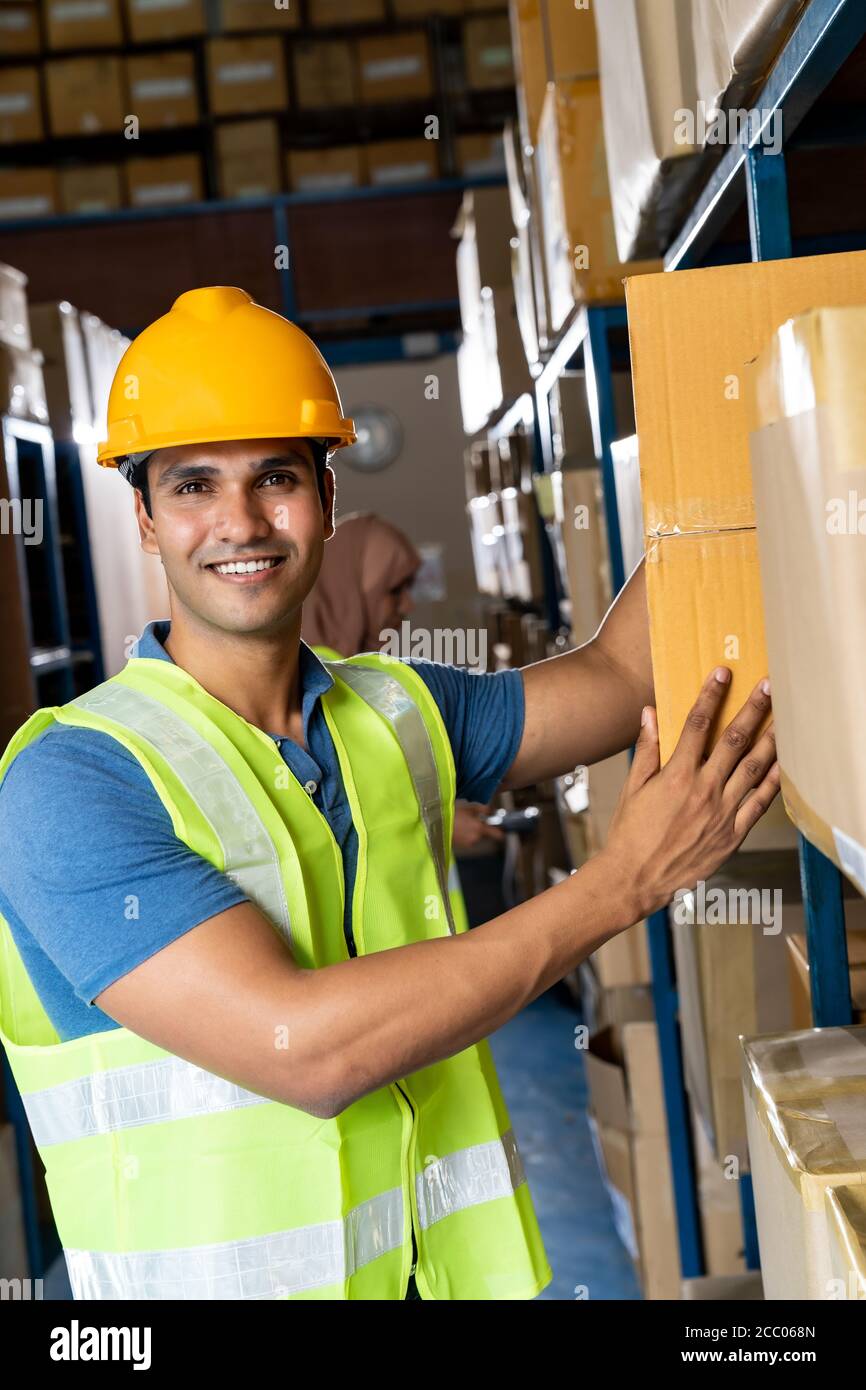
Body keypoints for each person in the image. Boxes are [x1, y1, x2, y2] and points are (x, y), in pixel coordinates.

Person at [0, 287, 780, 1302]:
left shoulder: (395, 707)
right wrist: (619, 882)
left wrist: (748, 430)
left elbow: (623, 678)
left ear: (327, 497)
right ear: (145, 520)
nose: (239, 521)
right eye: (193, 485)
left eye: (273, 477)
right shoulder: (69, 779)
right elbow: (302, 1049)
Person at [302, 510, 507, 900]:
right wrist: (440, 827)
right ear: (352, 591)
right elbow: (339, 823)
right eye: (393, 590)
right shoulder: (325, 686)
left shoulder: (365, 674)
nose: (408, 606)